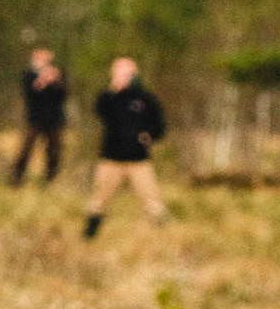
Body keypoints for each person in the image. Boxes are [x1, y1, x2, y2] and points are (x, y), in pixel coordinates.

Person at [85, 56, 169, 239]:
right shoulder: (108, 98)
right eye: (119, 72)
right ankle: (89, 235)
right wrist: (114, 89)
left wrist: (151, 136)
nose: (124, 76)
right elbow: (101, 111)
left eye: (127, 72)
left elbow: (160, 125)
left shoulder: (145, 98)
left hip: (138, 160)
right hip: (111, 158)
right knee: (99, 198)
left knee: (152, 199)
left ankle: (163, 235)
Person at [15, 48, 68, 187]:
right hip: (35, 119)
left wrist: (55, 81)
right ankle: (16, 177)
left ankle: (51, 179)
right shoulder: (29, 74)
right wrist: (43, 81)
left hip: (54, 119)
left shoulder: (58, 73)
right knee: (26, 149)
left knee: (54, 151)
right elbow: (29, 94)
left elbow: (63, 94)